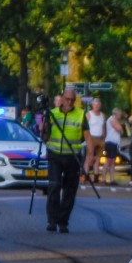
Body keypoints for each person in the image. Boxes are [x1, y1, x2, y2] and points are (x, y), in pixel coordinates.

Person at [43, 88, 86, 233]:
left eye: (72, 100)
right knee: (54, 186)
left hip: (73, 157)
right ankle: (52, 220)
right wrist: (44, 122)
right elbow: (44, 134)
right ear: (62, 98)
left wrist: (90, 156)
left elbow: (87, 136)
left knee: (70, 190)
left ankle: (63, 221)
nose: (69, 102)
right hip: (55, 155)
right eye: (67, 99)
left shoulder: (80, 114)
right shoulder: (53, 114)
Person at [84, 97, 107, 181]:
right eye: (95, 105)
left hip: (100, 138)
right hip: (91, 137)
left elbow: (103, 127)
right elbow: (85, 127)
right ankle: (86, 175)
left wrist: (104, 138)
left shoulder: (102, 115)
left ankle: (96, 176)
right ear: (92, 105)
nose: (96, 106)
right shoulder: (89, 114)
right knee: (89, 157)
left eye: (98, 105)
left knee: (98, 158)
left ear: (100, 106)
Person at [104, 108, 126, 184]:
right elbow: (119, 128)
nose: (120, 116)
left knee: (112, 162)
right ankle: (103, 179)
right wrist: (121, 127)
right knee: (108, 161)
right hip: (110, 142)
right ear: (116, 114)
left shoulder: (115, 120)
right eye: (119, 114)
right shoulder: (112, 119)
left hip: (114, 143)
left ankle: (112, 179)